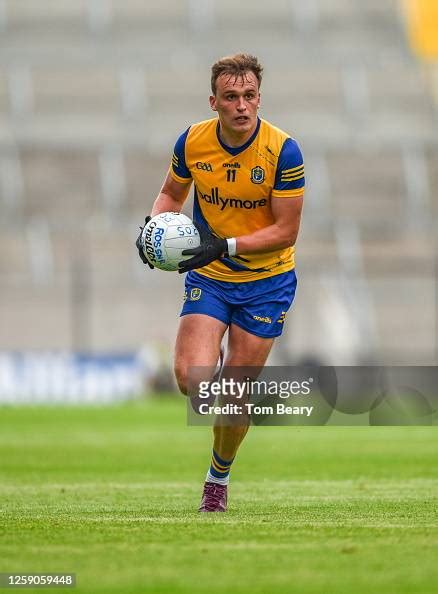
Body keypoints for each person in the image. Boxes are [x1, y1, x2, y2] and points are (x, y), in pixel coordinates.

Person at [136, 53, 304, 512]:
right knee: (191, 379)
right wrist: (154, 229)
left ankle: (217, 479)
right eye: (231, 97)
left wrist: (224, 245)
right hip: (210, 277)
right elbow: (172, 194)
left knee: (233, 395)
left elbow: (286, 231)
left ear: (259, 99)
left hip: (267, 281)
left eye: (249, 96)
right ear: (214, 102)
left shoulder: (283, 150)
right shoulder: (192, 142)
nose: (242, 106)